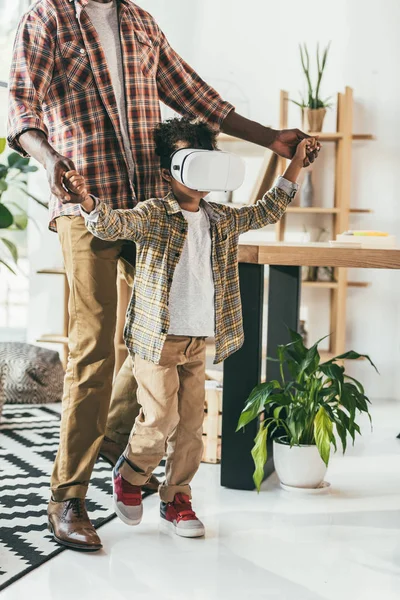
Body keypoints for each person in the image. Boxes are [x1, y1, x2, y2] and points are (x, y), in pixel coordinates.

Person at [8, 0, 319, 551]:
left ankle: (115, 444)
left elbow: (196, 95)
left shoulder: (140, 22)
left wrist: (273, 138)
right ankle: (68, 496)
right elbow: (22, 104)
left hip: (154, 207)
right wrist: (51, 160)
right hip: (89, 206)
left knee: (160, 332)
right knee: (94, 349)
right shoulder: (48, 17)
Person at [62, 117, 318, 539]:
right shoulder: (153, 214)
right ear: (168, 172)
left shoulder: (220, 218)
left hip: (198, 340)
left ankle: (177, 496)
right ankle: (131, 472)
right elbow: (112, 226)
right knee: (160, 415)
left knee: (190, 427)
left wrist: (296, 165)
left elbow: (268, 210)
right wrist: (87, 201)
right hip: (156, 338)